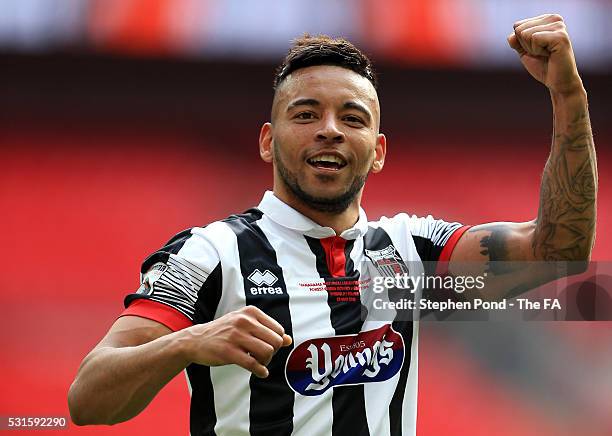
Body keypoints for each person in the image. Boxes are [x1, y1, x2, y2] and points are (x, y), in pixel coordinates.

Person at [68, 14, 597, 436]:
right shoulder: (211, 253)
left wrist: (568, 96)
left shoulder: (410, 249)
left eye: (353, 118)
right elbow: (88, 399)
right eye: (304, 115)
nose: (329, 131)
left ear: (378, 151)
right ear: (267, 142)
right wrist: (186, 344)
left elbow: (560, 249)